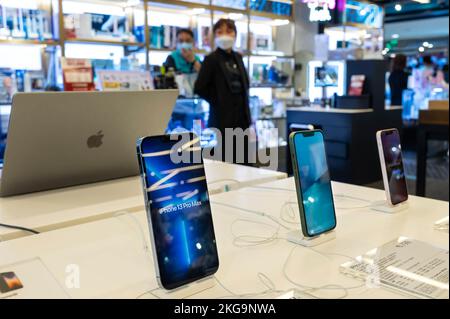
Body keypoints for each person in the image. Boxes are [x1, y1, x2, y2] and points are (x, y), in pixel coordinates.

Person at [194, 19, 252, 164]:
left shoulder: (238, 57)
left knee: (246, 162)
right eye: (220, 32)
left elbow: (245, 84)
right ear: (214, 36)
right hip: (222, 120)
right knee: (227, 162)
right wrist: (219, 101)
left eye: (229, 31)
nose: (225, 35)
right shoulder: (211, 59)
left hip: (242, 119)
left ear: (235, 35)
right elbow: (200, 88)